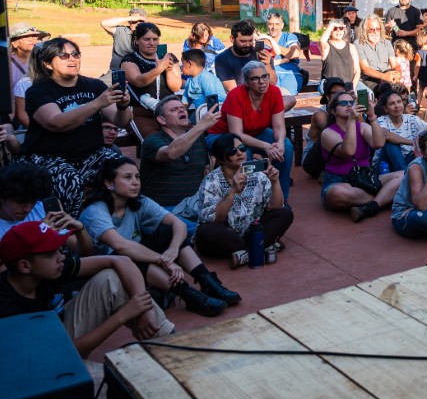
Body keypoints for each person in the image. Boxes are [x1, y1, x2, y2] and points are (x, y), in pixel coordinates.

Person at [79, 157, 238, 316]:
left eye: (137, 176)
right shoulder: (96, 211)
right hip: (104, 270)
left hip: (134, 259)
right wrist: (164, 261)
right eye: (128, 177)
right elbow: (120, 246)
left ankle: (208, 282)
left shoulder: (138, 201)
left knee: (168, 232)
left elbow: (179, 225)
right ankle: (189, 295)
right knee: (128, 256)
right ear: (109, 183)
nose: (135, 182)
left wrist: (173, 251)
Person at [0, 221, 174, 360]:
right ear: (25, 266)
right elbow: (55, 355)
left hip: (57, 337)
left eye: (59, 250)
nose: (61, 257)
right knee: (124, 385)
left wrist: (145, 311)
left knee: (111, 278)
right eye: (50, 253)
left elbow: (122, 261)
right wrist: (122, 316)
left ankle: (172, 344)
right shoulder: (7, 306)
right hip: (39, 372)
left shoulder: (49, 269)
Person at [20, 37, 133, 216]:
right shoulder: (38, 91)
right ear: (48, 64)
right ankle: (70, 232)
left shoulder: (93, 85)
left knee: (126, 170)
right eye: (64, 56)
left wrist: (123, 105)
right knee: (69, 180)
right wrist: (96, 104)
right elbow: (56, 123)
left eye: (75, 54)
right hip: (48, 157)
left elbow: (121, 121)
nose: (72, 59)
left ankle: (116, 220)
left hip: (89, 154)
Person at [196, 134, 294, 265]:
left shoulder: (258, 174)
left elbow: (276, 206)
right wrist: (232, 191)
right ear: (220, 160)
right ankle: (261, 246)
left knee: (285, 214)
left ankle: (245, 253)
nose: (239, 153)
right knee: (205, 232)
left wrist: (275, 182)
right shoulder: (211, 181)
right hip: (227, 233)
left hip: (253, 228)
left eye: (242, 148)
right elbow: (216, 219)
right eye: (232, 151)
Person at [207, 61, 293, 202]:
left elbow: (278, 126)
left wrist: (280, 142)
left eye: (264, 76)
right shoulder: (236, 95)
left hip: (255, 133)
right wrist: (266, 146)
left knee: (286, 147)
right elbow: (237, 135)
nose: (262, 82)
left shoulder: (275, 92)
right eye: (255, 78)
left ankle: (281, 198)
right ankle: (248, 200)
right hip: (223, 135)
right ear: (246, 82)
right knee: (242, 154)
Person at [315, 90, 403, 222]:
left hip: (366, 178)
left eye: (352, 102)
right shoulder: (328, 133)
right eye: (343, 103)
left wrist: (372, 116)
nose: (349, 105)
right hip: (339, 181)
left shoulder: (361, 126)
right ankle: (385, 198)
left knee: (404, 175)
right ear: (333, 111)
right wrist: (351, 121)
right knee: (338, 193)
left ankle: (373, 205)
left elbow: (379, 143)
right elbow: (348, 151)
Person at [140, 95, 220, 234]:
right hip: (164, 209)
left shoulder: (197, 137)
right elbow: (171, 153)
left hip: (193, 206)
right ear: (161, 119)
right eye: (174, 109)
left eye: (182, 108)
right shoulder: (152, 141)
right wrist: (200, 126)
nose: (181, 111)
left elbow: (205, 170)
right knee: (204, 233)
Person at [0, 162, 93, 258]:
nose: (27, 209)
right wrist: (39, 236)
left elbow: (84, 252)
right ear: (2, 197)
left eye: (32, 201)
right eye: (20, 202)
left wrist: (80, 230)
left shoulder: (44, 209)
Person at [122, 21, 183, 138]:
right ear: (137, 40)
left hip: (169, 110)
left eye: (155, 39)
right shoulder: (129, 59)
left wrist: (169, 70)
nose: (151, 43)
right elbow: (139, 81)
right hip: (141, 111)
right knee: (154, 141)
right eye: (146, 39)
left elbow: (175, 87)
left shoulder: (169, 57)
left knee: (185, 138)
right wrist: (160, 68)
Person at [376, 88, 427, 173]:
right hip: (385, 165)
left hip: (408, 160)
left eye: (399, 102)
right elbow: (386, 135)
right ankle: (405, 176)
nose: (397, 106)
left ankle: (406, 175)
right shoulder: (381, 120)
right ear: (386, 108)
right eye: (392, 104)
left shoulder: (412, 119)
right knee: (390, 144)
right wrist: (414, 142)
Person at [215, 20, 278, 92]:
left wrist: (267, 64)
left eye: (250, 40)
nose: (248, 44)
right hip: (241, 98)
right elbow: (233, 91)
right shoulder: (222, 59)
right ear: (232, 39)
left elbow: (273, 83)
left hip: (264, 94)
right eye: (243, 41)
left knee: (289, 98)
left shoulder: (262, 55)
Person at [260, 12, 303, 94]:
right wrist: (283, 60)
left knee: (286, 95)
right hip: (269, 75)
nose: (274, 27)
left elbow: (295, 53)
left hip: (289, 74)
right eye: (271, 24)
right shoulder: (262, 40)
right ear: (267, 25)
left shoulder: (289, 37)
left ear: (282, 25)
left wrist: (271, 42)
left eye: (277, 24)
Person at [356, 14, 399, 95]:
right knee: (382, 91)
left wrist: (397, 74)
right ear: (365, 30)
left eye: (378, 29)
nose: (375, 32)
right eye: (372, 30)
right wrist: (384, 76)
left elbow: (394, 65)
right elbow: (365, 69)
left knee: (400, 91)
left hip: (387, 75)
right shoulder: (358, 44)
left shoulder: (387, 43)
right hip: (369, 79)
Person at [7, 22, 49, 94]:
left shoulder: (44, 60)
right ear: (14, 43)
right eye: (26, 37)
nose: (32, 39)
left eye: (34, 35)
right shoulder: (6, 64)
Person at [320, 19, 361, 89]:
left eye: (341, 28)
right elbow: (322, 40)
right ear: (330, 31)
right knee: (338, 95)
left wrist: (352, 86)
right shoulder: (327, 46)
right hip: (330, 84)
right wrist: (331, 25)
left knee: (366, 94)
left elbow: (357, 70)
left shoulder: (351, 47)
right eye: (335, 28)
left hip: (348, 84)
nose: (338, 30)